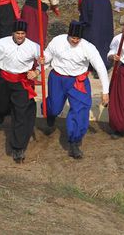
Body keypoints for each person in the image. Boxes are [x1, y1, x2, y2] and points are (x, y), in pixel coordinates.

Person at [43, 21, 110, 159]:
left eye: (78, 38)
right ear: (68, 35)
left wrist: (105, 91)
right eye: (73, 38)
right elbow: (46, 58)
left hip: (78, 81)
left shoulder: (88, 47)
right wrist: (40, 65)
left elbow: (101, 67)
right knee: (54, 108)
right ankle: (50, 113)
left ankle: (74, 141)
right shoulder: (57, 41)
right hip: (58, 78)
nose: (75, 40)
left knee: (80, 110)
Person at [0, 20, 41, 163]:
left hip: (22, 82)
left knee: (21, 114)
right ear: (12, 33)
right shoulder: (2, 43)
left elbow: (47, 61)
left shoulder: (34, 46)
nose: (20, 36)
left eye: (22, 33)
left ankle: (18, 148)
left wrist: (37, 71)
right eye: (17, 33)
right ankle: (1, 112)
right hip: (4, 78)